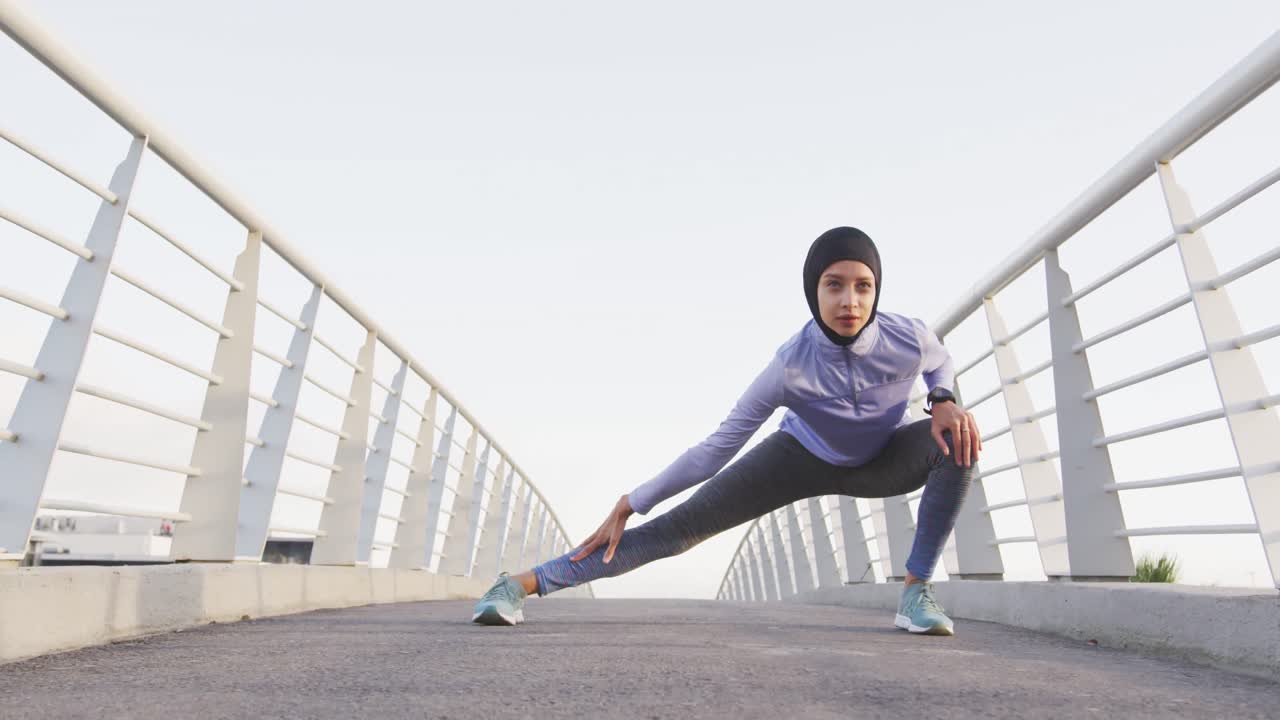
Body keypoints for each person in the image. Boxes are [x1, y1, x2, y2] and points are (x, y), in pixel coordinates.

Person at [471, 226, 981, 635]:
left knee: (960, 441)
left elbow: (941, 362)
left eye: (862, 285)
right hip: (798, 459)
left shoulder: (907, 336)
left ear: (876, 289)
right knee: (675, 533)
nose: (849, 300)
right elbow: (715, 449)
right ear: (813, 291)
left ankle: (915, 592)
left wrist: (943, 399)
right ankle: (518, 585)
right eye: (834, 285)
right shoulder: (789, 366)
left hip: (882, 460)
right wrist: (633, 501)